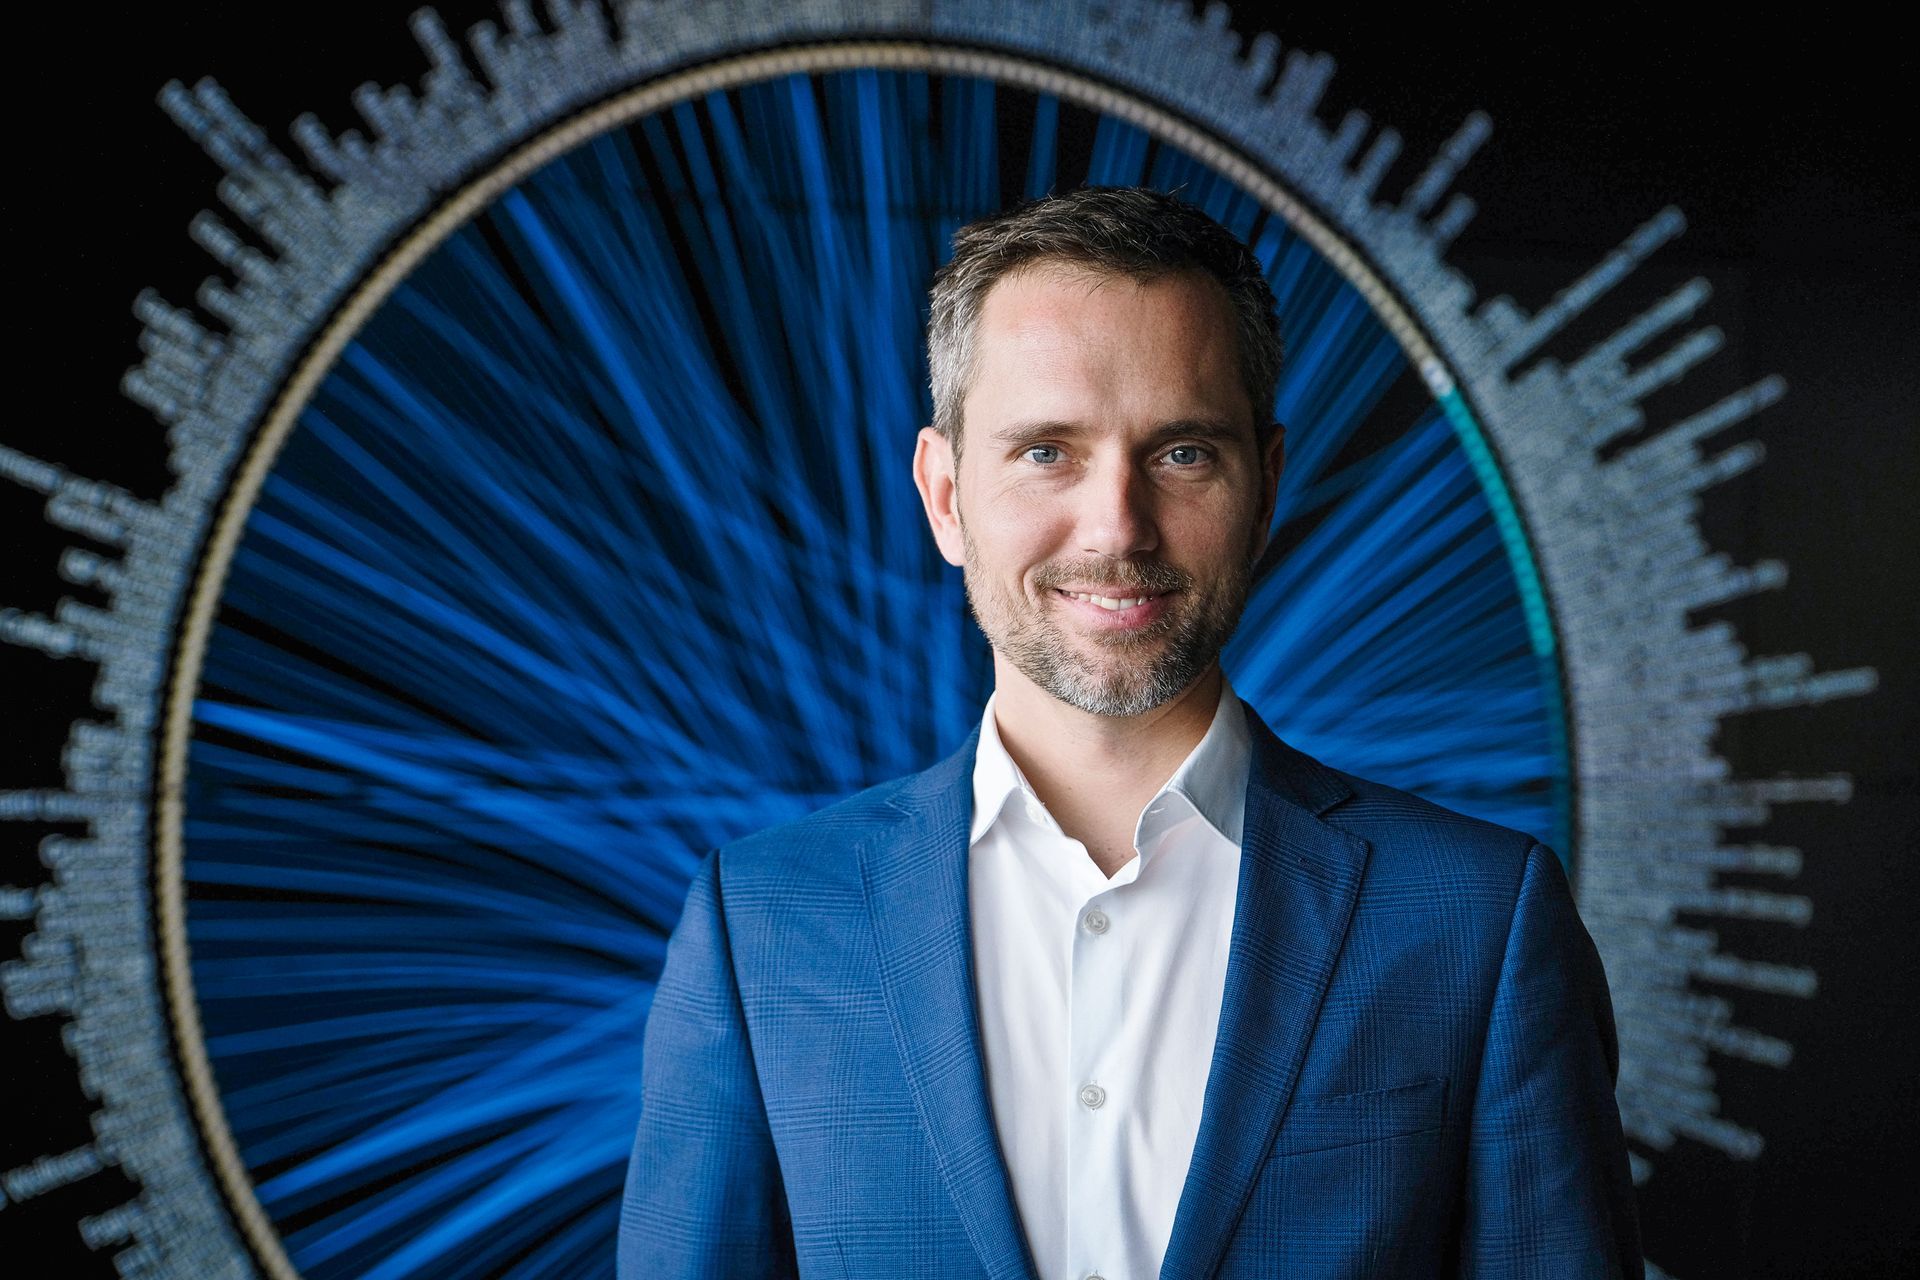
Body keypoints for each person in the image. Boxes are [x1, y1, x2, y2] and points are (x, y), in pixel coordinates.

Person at [617, 186, 1642, 1279]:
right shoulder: (761, 926)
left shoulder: (1480, 923)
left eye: (1184, 452)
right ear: (946, 495)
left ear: (1267, 487)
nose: (1117, 526)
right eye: (1047, 451)